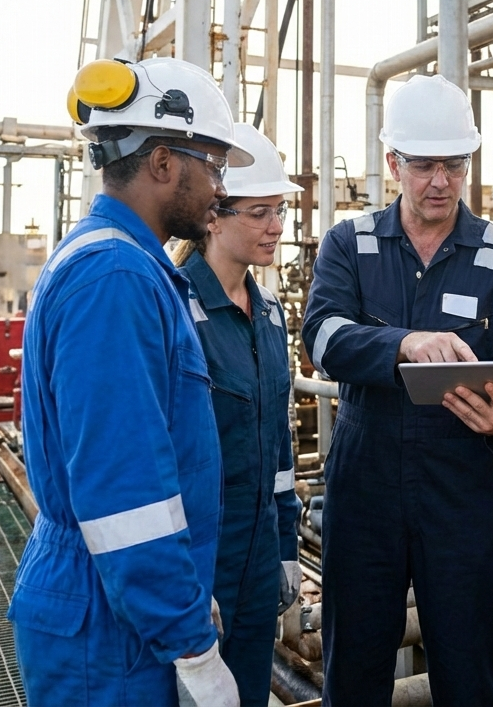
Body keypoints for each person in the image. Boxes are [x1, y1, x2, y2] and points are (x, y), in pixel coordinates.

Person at [301, 74, 493, 705]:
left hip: (463, 495)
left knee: (468, 675)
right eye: (424, 166)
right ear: (393, 164)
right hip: (365, 496)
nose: (440, 180)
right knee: (355, 674)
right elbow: (323, 339)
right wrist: (404, 344)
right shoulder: (350, 245)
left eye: (454, 165)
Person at [10, 57, 252, 707]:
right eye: (214, 165)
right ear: (164, 164)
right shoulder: (116, 281)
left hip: (117, 604)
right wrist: (191, 644)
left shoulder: (119, 263)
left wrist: (186, 603)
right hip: (110, 629)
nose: (219, 189)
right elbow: (126, 499)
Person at [170, 123, 304, 707]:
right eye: (259, 213)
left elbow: (278, 445)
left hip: (255, 564)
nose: (276, 227)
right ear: (213, 218)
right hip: (201, 561)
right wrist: (183, 578)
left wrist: (286, 549)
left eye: (279, 212)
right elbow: (162, 459)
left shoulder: (271, 311)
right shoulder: (175, 306)